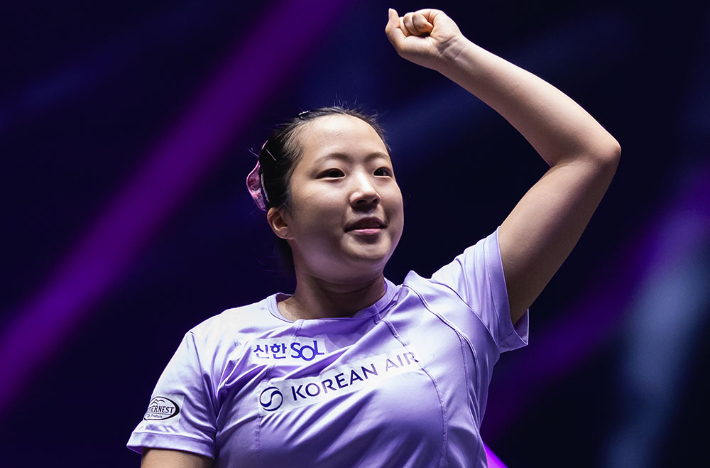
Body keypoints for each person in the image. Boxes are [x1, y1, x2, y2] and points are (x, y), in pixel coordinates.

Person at [127, 7, 620, 468]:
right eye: (334, 173)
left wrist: (454, 54)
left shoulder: (460, 307)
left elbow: (589, 154)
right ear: (281, 220)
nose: (367, 191)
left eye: (381, 171)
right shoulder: (215, 346)